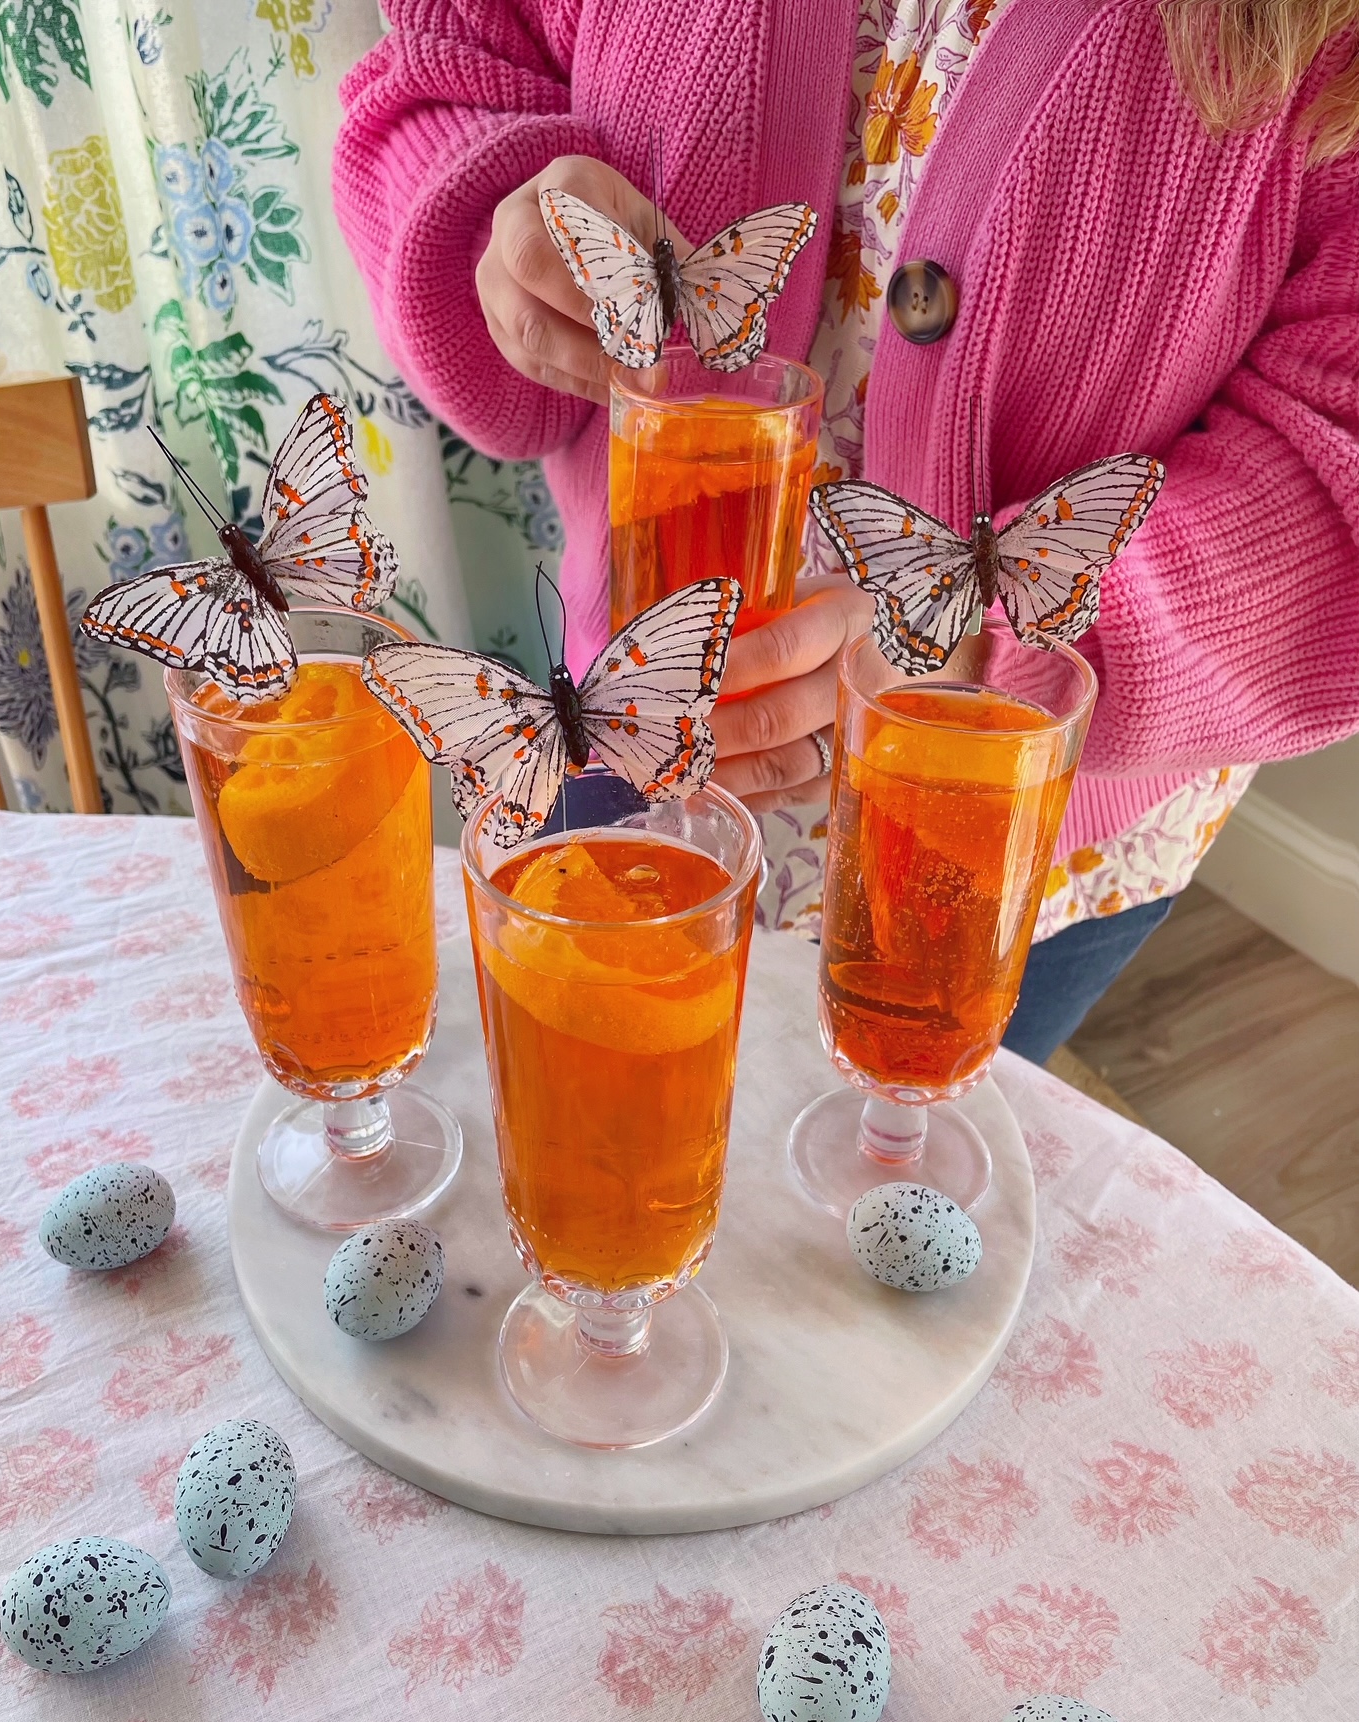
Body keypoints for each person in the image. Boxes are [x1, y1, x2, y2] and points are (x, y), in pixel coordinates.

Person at [333, 0, 1359, 1062]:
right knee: (609, 1109)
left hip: (1006, 821)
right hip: (636, 714)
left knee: (900, 1139)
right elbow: (455, 55)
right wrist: (496, 228)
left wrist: (973, 640)